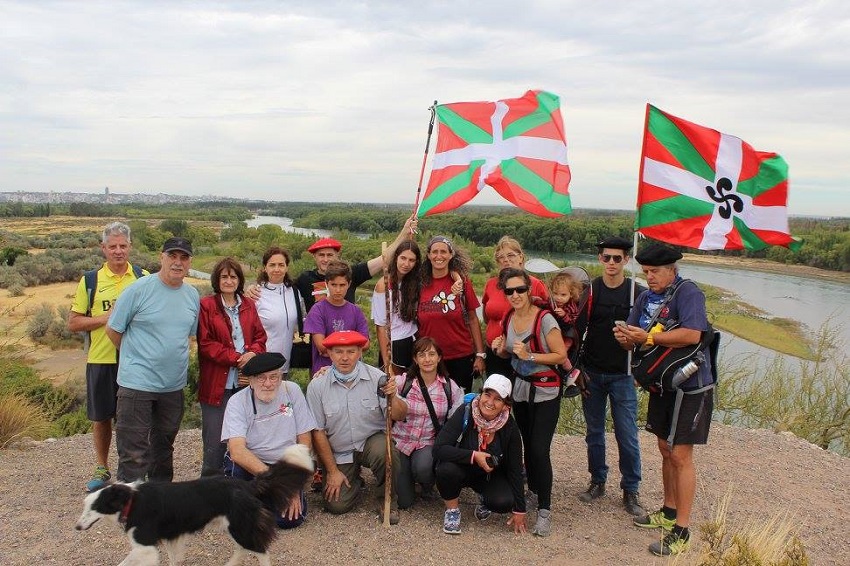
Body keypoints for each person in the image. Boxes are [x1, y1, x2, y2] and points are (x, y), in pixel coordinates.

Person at [614, 243, 714, 557]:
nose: (650, 277)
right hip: (661, 383)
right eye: (646, 272)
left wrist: (649, 337)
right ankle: (668, 511)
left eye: (655, 272)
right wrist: (626, 339)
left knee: (681, 454)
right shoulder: (644, 297)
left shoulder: (688, 293)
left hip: (690, 384)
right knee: (664, 448)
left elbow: (693, 334)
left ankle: (681, 530)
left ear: (672, 269)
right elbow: (636, 339)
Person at [106, 237, 200, 483]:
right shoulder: (138, 290)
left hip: (172, 387)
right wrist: (135, 359)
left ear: (190, 262)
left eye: (183, 257)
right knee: (133, 452)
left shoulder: (192, 296)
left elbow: (190, 334)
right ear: (162, 257)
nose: (177, 263)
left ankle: (159, 508)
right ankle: (130, 513)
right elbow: (113, 330)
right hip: (136, 386)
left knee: (163, 451)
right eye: (172, 256)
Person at [68, 221, 149, 492]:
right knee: (102, 416)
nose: (118, 251)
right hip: (101, 359)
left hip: (135, 360)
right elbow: (74, 322)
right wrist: (108, 318)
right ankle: (102, 468)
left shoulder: (143, 277)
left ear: (130, 247)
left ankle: (136, 469)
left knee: (135, 418)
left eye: (122, 246)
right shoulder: (90, 281)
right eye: (112, 246)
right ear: (103, 248)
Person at [490, 268, 567, 537]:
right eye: (509, 291)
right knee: (524, 444)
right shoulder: (509, 318)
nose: (515, 295)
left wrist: (531, 355)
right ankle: (534, 490)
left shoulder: (544, 319)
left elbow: (560, 355)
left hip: (546, 392)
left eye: (520, 290)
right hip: (521, 391)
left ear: (530, 291)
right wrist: (501, 349)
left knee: (538, 449)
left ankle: (544, 508)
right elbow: (510, 353)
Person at [306, 331, 408, 524]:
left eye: (351, 351)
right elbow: (318, 432)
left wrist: (393, 396)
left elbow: (400, 415)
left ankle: (387, 500)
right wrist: (333, 471)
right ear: (329, 353)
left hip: (370, 441)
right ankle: (352, 478)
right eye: (338, 352)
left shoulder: (378, 378)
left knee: (386, 452)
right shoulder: (317, 386)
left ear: (360, 352)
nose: (345, 357)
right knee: (337, 506)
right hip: (340, 450)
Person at [577, 236, 646, 517]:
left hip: (623, 374)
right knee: (594, 432)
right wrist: (575, 368)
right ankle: (598, 480)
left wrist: (641, 366)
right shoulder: (590, 290)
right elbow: (576, 328)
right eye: (607, 258)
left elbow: (648, 336)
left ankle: (631, 488)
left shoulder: (636, 293)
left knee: (627, 434)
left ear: (626, 260)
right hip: (592, 371)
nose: (612, 263)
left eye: (617, 258)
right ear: (600, 259)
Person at [221, 352, 317, 529]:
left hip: (284, 465)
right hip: (251, 463)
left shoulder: (292, 390)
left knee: (290, 520)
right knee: (236, 472)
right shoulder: (237, 402)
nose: (268, 383)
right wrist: (277, 483)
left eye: (274, 377)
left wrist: (293, 484)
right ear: (250, 381)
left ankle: (257, 504)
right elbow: (237, 451)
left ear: (281, 377)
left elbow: (304, 438)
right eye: (261, 378)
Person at [197, 257, 267, 476]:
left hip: (246, 383)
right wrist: (238, 358)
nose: (228, 281)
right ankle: (210, 484)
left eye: (233, 276)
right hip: (217, 383)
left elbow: (260, 336)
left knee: (247, 436)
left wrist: (253, 353)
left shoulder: (248, 305)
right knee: (215, 438)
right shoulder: (207, 305)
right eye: (224, 276)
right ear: (217, 280)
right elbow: (206, 344)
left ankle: (241, 483)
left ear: (239, 279)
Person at [433, 374, 526, 535]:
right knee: (445, 470)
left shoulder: (510, 427)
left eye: (498, 399)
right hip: (461, 468)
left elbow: (515, 469)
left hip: (489, 475)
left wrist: (520, 509)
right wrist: (473, 456)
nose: (489, 402)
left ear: (505, 405)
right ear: (480, 394)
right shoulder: (466, 411)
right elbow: (439, 448)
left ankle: (485, 499)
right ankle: (452, 510)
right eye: (487, 395)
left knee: (504, 502)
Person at [392, 337, 464, 509]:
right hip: (400, 441)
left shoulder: (449, 387)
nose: (427, 359)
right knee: (404, 502)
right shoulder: (403, 382)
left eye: (432, 354)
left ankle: (426, 484)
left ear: (439, 357)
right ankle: (406, 481)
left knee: (423, 468)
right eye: (422, 355)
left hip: (427, 443)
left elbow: (457, 418)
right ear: (415, 359)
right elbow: (379, 384)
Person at [296, 216, 417, 312]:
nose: (326, 259)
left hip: (348, 339)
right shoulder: (305, 279)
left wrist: (404, 232)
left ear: (337, 255)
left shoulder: (350, 274)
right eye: (321, 255)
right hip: (318, 340)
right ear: (314, 257)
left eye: (330, 255)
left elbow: (384, 259)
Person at [416, 235, 485, 393]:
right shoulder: (419, 283)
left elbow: (473, 319)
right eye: (434, 252)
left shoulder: (462, 283)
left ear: (451, 254)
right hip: (429, 358)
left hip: (460, 357)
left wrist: (480, 355)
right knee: (433, 405)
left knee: (460, 405)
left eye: (443, 252)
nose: (438, 256)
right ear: (428, 255)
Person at [481, 236, 549, 378]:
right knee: (496, 397)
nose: (506, 260)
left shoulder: (534, 285)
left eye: (511, 255)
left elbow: (547, 322)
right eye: (501, 257)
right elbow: (487, 318)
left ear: (521, 258)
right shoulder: (491, 284)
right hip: (494, 352)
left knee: (519, 398)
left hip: (523, 355)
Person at [303, 260, 370, 375]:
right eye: (333, 285)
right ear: (326, 283)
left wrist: (332, 348)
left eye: (342, 285)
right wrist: (352, 349)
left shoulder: (356, 311)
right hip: (324, 371)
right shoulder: (317, 310)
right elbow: (321, 346)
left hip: (352, 373)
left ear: (349, 284)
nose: (338, 290)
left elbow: (366, 344)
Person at [371, 240, 421, 373]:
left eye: (411, 260)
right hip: (394, 344)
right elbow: (380, 327)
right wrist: (387, 362)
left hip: (414, 341)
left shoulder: (413, 281)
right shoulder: (384, 285)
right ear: (396, 257)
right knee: (395, 389)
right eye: (403, 258)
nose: (406, 264)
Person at [253, 247, 302, 373]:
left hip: (286, 363)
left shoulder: (294, 292)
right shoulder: (256, 294)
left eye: (281, 265)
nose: (277, 269)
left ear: (287, 267)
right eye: (272, 265)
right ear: (265, 267)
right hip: (263, 364)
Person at [548, 270, 585, 397]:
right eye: (555, 294)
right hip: (558, 334)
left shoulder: (571, 307)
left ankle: (571, 371)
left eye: (563, 295)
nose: (558, 298)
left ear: (571, 294)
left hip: (568, 336)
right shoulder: (553, 304)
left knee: (561, 353)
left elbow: (573, 321)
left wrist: (564, 316)